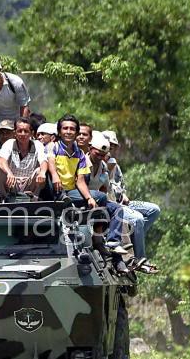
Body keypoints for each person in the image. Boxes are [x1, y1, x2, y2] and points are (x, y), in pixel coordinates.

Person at [48, 115, 130, 272]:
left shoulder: (80, 155)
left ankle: (111, 244)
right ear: (59, 131)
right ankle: (100, 241)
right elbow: (49, 164)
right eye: (65, 128)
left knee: (115, 209)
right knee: (100, 199)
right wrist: (55, 176)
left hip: (74, 193)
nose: (69, 132)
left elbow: (80, 181)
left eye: (72, 129)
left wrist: (90, 198)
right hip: (57, 189)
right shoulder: (54, 147)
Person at [103, 130, 161, 273]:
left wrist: (124, 194)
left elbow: (119, 185)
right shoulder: (101, 163)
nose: (111, 149)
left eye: (113, 146)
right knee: (138, 219)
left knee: (154, 210)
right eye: (108, 146)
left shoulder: (115, 164)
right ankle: (139, 258)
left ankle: (132, 239)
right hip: (113, 205)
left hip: (122, 201)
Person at [0, 117, 47, 200]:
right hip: (12, 182)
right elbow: (1, 160)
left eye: (26, 131)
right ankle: (5, 198)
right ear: (15, 133)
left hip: (29, 183)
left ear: (31, 133)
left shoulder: (38, 144)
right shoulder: (9, 143)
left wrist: (43, 172)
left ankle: (34, 199)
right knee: (0, 171)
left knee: (39, 171)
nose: (22, 134)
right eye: (19, 131)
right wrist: (9, 173)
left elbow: (43, 161)